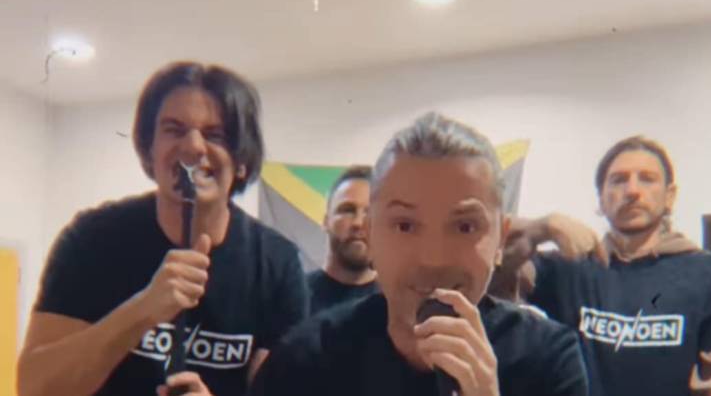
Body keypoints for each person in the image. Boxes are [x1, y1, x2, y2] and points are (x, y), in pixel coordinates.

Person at [17, 62, 309, 396]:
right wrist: (143, 309)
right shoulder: (91, 240)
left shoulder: (277, 264)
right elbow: (34, 389)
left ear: (241, 160)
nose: (193, 146)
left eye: (215, 135)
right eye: (174, 129)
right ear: (149, 149)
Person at [253, 113, 589, 396]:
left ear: (500, 238)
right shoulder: (305, 359)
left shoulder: (548, 359)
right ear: (370, 235)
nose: (433, 259)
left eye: (465, 227)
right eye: (405, 225)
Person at [504, 136, 711, 396]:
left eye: (647, 179)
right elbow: (488, 267)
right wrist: (540, 228)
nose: (632, 191)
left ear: (669, 196)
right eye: (619, 180)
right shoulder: (570, 269)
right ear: (601, 198)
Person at [306, 165, 379, 314]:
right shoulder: (292, 298)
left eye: (370, 213)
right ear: (326, 221)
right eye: (347, 210)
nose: (358, 223)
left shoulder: (401, 306)